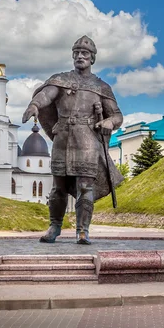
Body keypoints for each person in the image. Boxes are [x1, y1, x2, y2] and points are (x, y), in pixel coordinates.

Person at [22, 36, 123, 244]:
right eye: (76, 53)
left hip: (88, 141)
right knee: (58, 187)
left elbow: (117, 115)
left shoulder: (101, 87)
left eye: (84, 53)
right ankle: (55, 226)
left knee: (85, 186)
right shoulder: (61, 79)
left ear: (92, 58)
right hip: (63, 138)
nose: (80, 56)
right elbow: (47, 95)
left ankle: (83, 230)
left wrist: (109, 123)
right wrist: (35, 105)